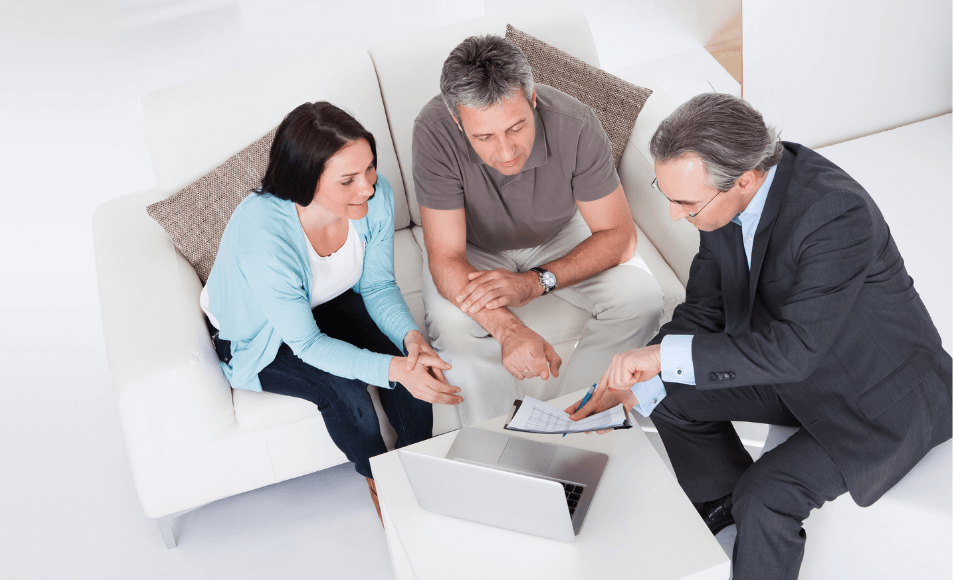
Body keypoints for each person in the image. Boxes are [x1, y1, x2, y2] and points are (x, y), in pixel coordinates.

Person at [568, 93, 952, 580]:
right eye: (666, 195)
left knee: (767, 496)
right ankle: (726, 512)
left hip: (879, 394)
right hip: (794, 369)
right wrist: (652, 362)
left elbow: (794, 352)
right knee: (662, 393)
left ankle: (753, 520)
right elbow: (706, 306)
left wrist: (664, 358)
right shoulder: (726, 197)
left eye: (685, 203)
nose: (673, 216)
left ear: (744, 180)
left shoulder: (835, 214)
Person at [201, 102, 462, 522]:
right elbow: (304, 342)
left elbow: (377, 285)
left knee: (413, 360)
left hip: (323, 302)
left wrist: (410, 340)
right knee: (346, 392)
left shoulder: (374, 199)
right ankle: (379, 476)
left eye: (370, 169)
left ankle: (416, 460)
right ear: (306, 180)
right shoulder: (264, 238)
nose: (369, 188)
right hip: (259, 334)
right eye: (348, 180)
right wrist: (394, 368)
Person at [411, 34, 664, 427]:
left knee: (642, 298)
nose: (507, 151)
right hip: (473, 246)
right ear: (458, 122)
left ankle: (572, 422)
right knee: (453, 327)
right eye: (484, 137)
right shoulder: (432, 130)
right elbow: (445, 257)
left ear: (533, 101)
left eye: (516, 128)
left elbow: (619, 235)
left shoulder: (576, 123)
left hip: (560, 232)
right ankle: (499, 443)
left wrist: (533, 283)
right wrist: (509, 329)